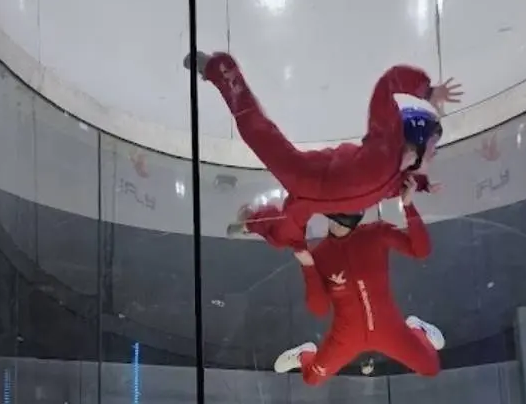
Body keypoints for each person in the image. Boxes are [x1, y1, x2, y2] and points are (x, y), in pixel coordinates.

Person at [191, 49, 461, 248]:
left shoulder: (396, 180)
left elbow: (399, 187)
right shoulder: (387, 143)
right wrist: (426, 90)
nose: (435, 153)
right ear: (416, 140)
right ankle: (221, 71)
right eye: (433, 145)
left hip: (310, 202)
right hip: (306, 175)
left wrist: (422, 184)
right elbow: (388, 83)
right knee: (256, 131)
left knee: (285, 238)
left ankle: (250, 223)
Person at [273, 175, 443, 381]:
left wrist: (408, 207)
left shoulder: (376, 233)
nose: (345, 219)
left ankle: (418, 330)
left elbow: (421, 250)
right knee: (311, 378)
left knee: (431, 366)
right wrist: (308, 267)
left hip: (388, 327)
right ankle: (304, 354)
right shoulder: (320, 256)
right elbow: (319, 309)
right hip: (346, 336)